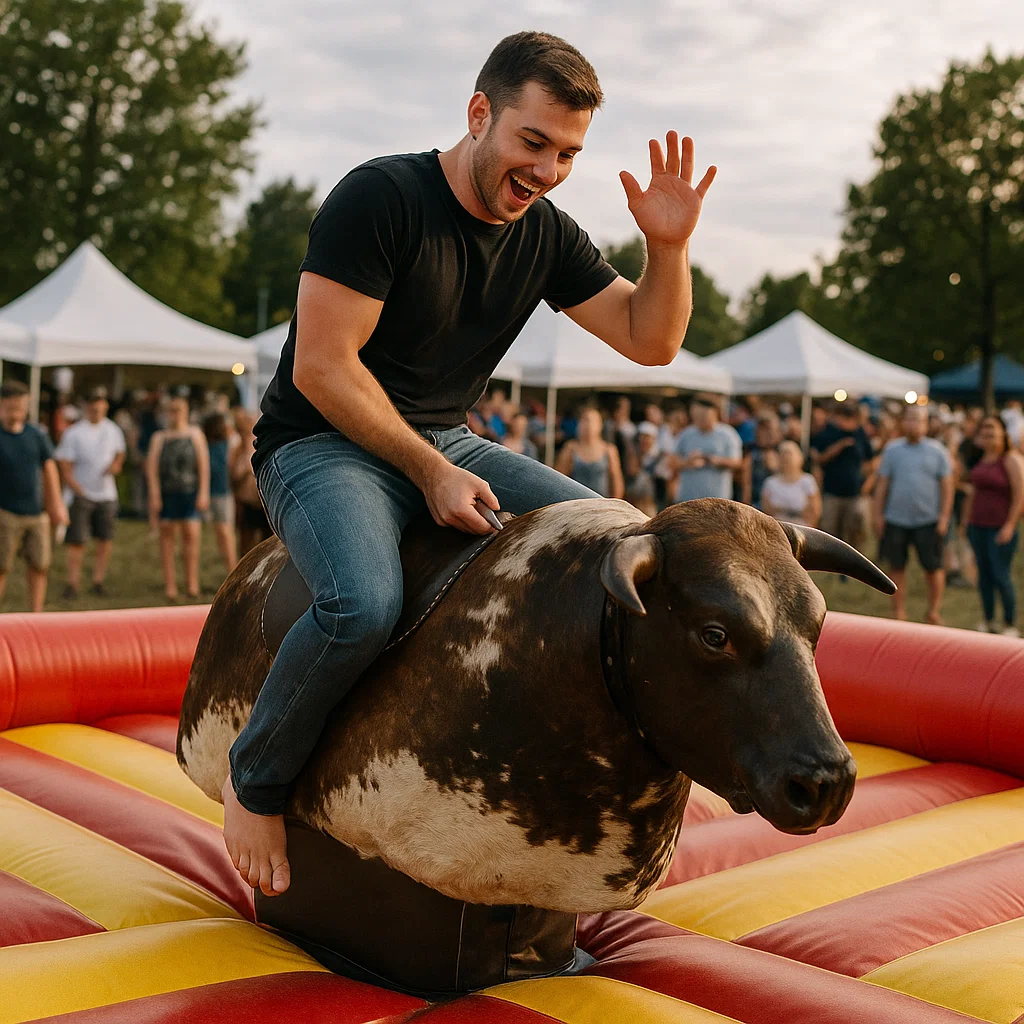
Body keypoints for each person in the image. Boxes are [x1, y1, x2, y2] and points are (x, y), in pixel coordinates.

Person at [230, 30, 717, 898]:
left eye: (568, 153)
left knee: (617, 541)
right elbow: (322, 367)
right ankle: (256, 781)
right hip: (318, 441)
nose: (547, 171)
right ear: (480, 113)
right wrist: (428, 472)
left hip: (443, 437)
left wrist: (669, 248)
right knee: (361, 605)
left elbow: (653, 340)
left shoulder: (546, 231)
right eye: (533, 143)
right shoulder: (380, 196)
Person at [872, 406, 954, 624]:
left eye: (918, 420)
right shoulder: (892, 450)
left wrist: (944, 517)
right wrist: (878, 514)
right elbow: (883, 484)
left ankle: (933, 611)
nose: (913, 424)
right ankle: (898, 612)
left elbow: (947, 486)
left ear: (926, 424)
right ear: (903, 422)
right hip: (896, 519)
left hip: (928, 520)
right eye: (909, 420)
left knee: (933, 567)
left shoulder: (938, 451)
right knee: (896, 566)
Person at [0, 381, 69, 612]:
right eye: (11, 406)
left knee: (40, 564)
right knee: (1, 566)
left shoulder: (36, 435)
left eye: (21, 406)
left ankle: (36, 614)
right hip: (5, 512)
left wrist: (57, 505)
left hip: (36, 513)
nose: (16, 411)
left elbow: (49, 470)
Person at [54, 387, 126, 598]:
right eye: (93, 402)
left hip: (106, 494)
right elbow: (64, 464)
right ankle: (72, 583)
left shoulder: (113, 430)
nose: (97, 406)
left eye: (101, 402)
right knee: (77, 541)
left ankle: (98, 580)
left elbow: (120, 454)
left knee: (104, 539)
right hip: (82, 494)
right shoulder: (74, 432)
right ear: (86, 406)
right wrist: (76, 487)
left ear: (105, 405)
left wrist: (116, 465)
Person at [962, 415, 1024, 636]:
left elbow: (1019, 494)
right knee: (984, 576)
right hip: (977, 525)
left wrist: (1009, 525)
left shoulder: (1011, 460)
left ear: (1003, 434)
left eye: (992, 432)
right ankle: (988, 620)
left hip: (999, 528)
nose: (988, 436)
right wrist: (965, 523)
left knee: (1001, 575)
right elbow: (973, 492)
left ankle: (1009, 623)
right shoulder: (980, 459)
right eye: (984, 433)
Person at [146, 394, 210, 602]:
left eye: (178, 410)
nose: (174, 415)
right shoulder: (160, 438)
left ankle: (192, 583)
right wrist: (154, 494)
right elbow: (152, 468)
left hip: (189, 490)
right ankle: (170, 586)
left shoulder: (195, 435)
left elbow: (203, 466)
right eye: (171, 410)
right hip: (168, 492)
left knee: (191, 536)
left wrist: (203, 492)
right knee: (167, 537)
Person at [811, 400, 873, 550]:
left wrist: (867, 482)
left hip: (854, 492)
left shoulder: (859, 434)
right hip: (832, 491)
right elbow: (819, 459)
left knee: (854, 529)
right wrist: (840, 446)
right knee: (830, 530)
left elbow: (870, 460)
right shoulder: (828, 433)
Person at [672, 395, 742, 502]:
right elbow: (672, 462)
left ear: (715, 413)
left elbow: (737, 462)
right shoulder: (686, 434)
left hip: (718, 501)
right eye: (695, 416)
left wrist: (716, 460)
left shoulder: (728, 434)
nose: (699, 419)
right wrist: (687, 462)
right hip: (688, 500)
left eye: (703, 415)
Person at [555, 406, 625, 498]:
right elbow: (558, 479)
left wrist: (615, 504)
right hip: (577, 503)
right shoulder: (571, 448)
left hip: (601, 503)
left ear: (600, 425)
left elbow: (616, 481)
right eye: (585, 420)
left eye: (592, 421)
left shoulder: (609, 450)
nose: (588, 424)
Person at [231, 410, 273, 556]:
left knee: (268, 540)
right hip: (246, 501)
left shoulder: (262, 443)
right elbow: (234, 475)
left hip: (263, 501)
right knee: (246, 540)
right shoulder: (237, 449)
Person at [203, 412, 239, 573]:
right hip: (212, 492)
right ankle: (229, 568)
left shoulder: (229, 443)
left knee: (225, 532)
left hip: (223, 493)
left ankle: (233, 569)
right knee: (221, 533)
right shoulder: (207, 445)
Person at [761, 441, 820, 528]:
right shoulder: (770, 483)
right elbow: (766, 511)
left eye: (790, 454)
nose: (787, 458)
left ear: (800, 458)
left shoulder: (808, 481)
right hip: (777, 528)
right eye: (784, 454)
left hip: (803, 528)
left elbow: (815, 511)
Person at [741, 415, 781, 509]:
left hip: (775, 503)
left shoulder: (783, 449)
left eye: (771, 430)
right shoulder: (748, 449)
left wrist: (775, 468)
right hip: (753, 502)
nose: (768, 434)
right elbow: (744, 480)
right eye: (763, 430)